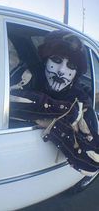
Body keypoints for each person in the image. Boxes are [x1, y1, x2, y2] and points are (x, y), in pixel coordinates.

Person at [10, 30, 99, 176]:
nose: (61, 71)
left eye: (71, 66)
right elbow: (7, 102)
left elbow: (92, 162)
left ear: (76, 73)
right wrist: (66, 111)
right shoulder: (28, 76)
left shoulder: (80, 99)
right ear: (46, 60)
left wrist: (53, 125)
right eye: (56, 60)